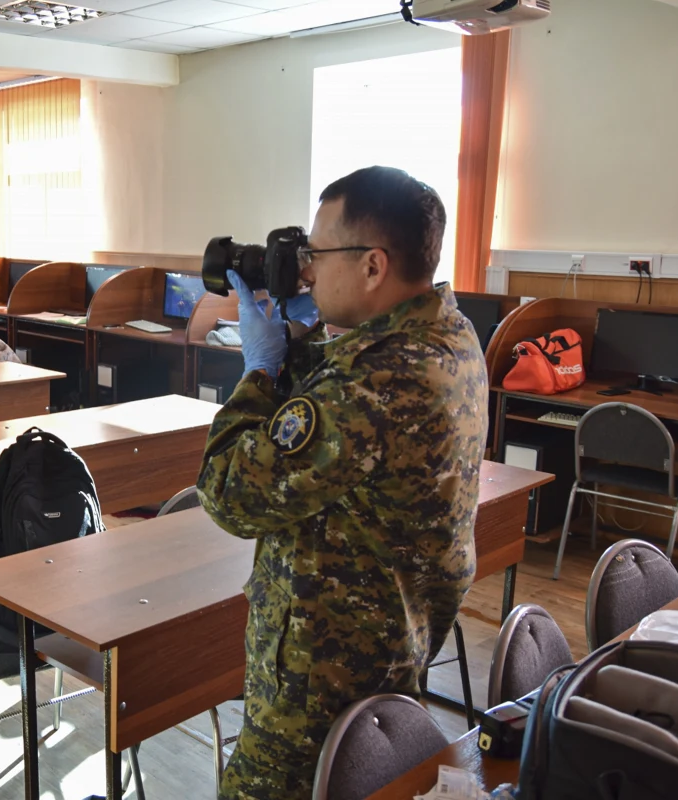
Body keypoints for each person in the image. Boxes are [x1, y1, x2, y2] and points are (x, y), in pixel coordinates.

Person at [196, 166, 489, 799]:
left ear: (373, 266)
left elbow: (228, 490)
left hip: (320, 679)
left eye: (317, 255)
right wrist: (305, 338)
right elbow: (353, 404)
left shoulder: (372, 387)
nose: (305, 271)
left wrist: (259, 372)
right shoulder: (451, 336)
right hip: (394, 646)